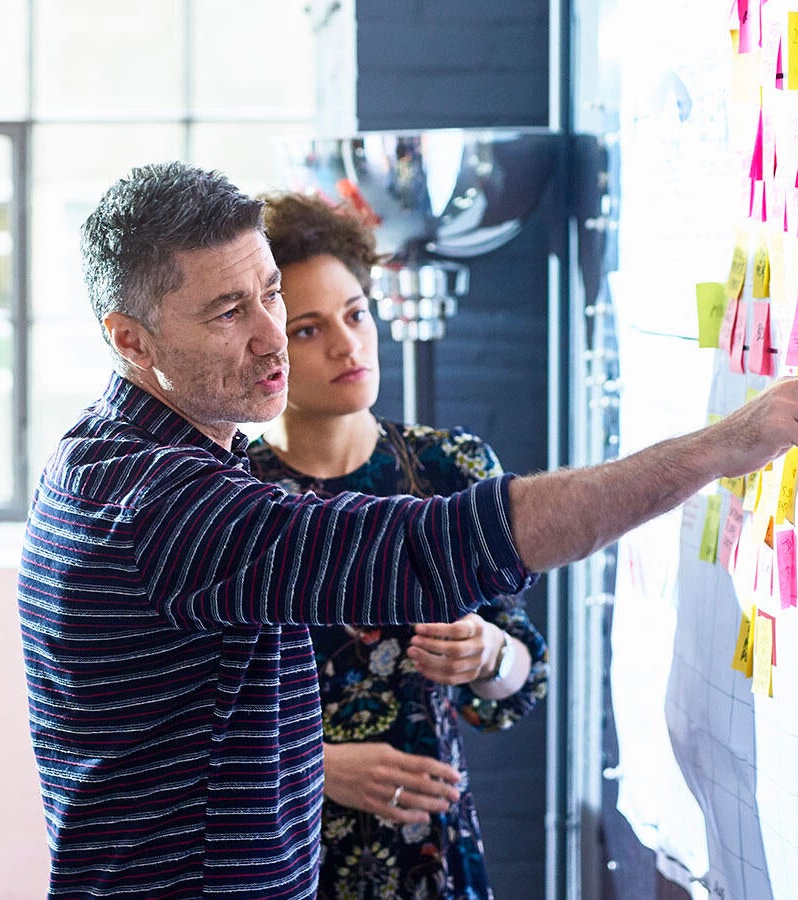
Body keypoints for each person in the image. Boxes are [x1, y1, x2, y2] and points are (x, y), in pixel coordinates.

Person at [17, 160, 798, 899]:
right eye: (228, 312)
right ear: (129, 340)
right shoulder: (158, 503)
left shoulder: (134, 459)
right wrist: (718, 447)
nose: (274, 338)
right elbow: (435, 548)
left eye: (272, 293)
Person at [248, 190, 548, 899]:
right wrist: (320, 766)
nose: (348, 345)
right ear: (263, 345)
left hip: (430, 860)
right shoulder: (233, 495)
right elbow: (185, 731)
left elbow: (520, 684)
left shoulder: (449, 470)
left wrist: (487, 652)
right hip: (279, 856)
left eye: (356, 314)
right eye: (309, 330)